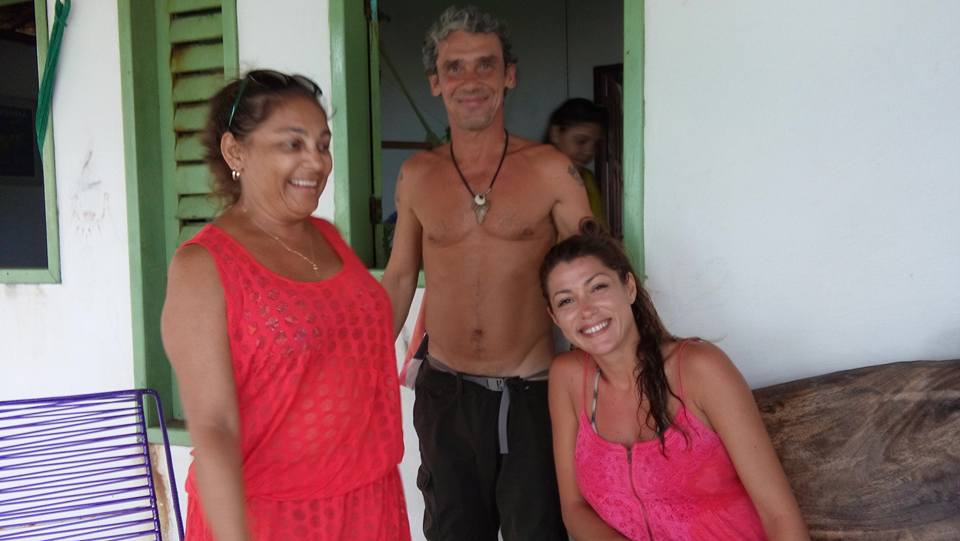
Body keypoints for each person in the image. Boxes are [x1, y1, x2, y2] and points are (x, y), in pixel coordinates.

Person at [161, 70, 410, 541]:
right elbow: (213, 427)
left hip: (368, 501)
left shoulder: (328, 237)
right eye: (292, 144)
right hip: (272, 518)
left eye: (322, 144)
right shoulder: (204, 267)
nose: (316, 161)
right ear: (235, 151)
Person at [381, 5, 594, 541]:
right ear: (435, 82)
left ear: (509, 75)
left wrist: (613, 375)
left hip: (533, 393)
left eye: (485, 64)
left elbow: (595, 276)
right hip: (445, 394)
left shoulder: (551, 170)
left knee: (539, 531)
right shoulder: (417, 175)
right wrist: (362, 368)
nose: (470, 80)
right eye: (454, 67)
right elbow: (401, 277)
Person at [540, 221, 810, 540]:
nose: (586, 310)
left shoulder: (699, 369)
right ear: (555, 317)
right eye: (566, 301)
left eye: (598, 287)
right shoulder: (568, 378)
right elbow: (574, 509)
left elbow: (779, 515)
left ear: (629, 287)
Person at [545, 98, 608, 227]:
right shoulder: (534, 179)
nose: (589, 152)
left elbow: (598, 229)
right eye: (581, 141)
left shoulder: (588, 179)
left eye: (595, 144)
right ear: (555, 133)